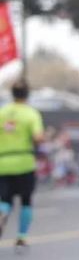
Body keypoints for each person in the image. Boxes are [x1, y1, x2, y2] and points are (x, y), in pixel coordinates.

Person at [0, 81, 45, 251]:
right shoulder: (31, 113)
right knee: (26, 201)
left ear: (12, 93)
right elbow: (38, 137)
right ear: (28, 94)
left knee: (5, 199)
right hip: (24, 162)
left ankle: (3, 211)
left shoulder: (2, 112)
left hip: (3, 163)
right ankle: (21, 236)